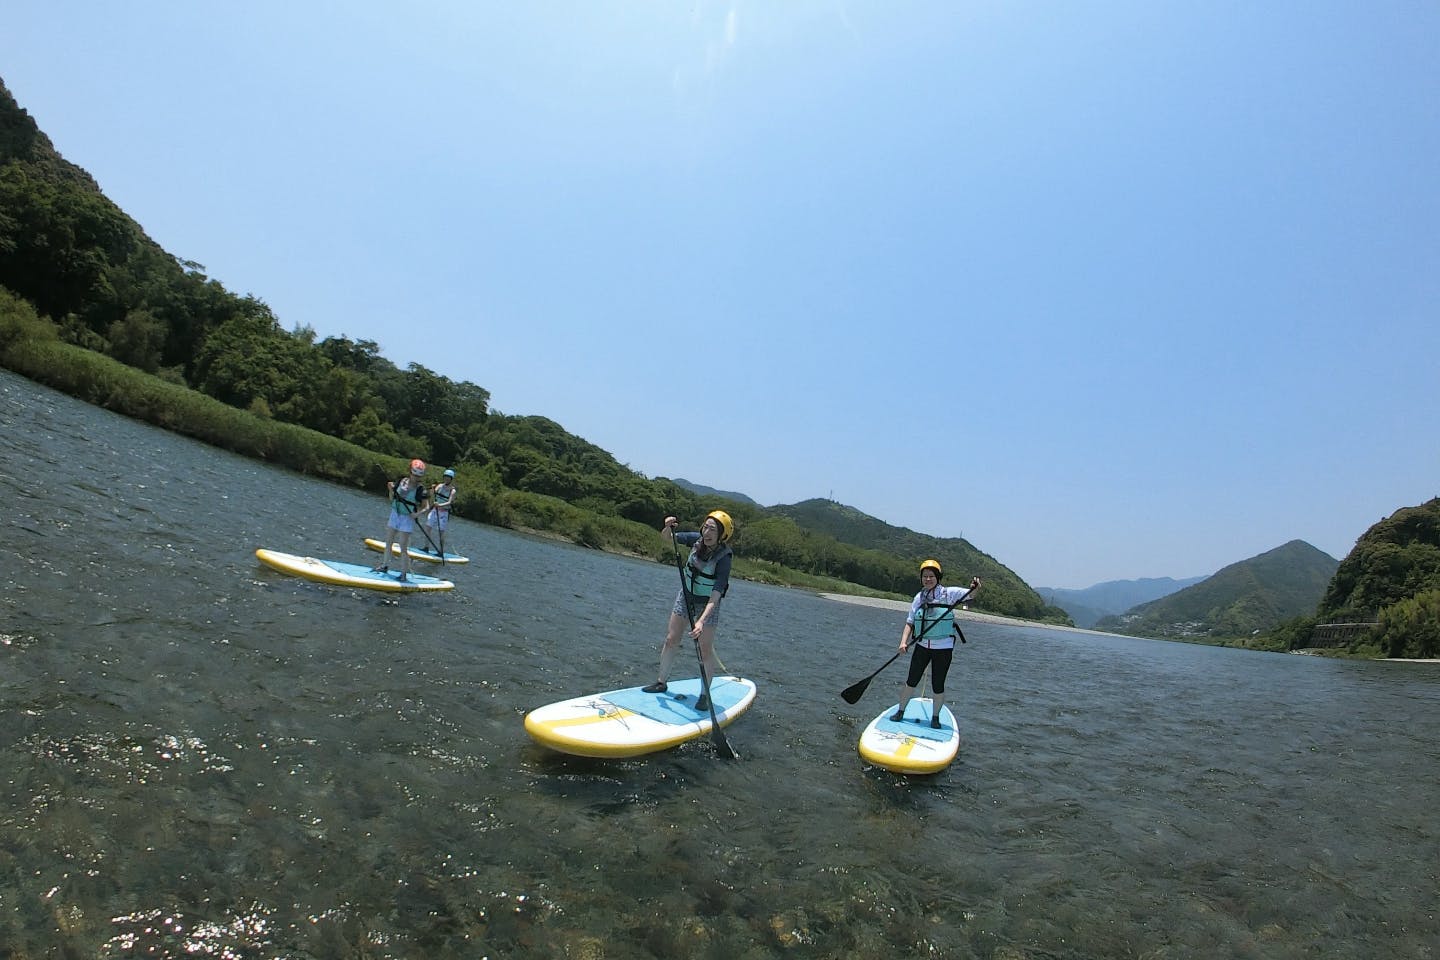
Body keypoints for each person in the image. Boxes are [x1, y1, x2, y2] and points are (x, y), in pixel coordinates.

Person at [642, 509, 735, 712]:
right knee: (671, 639)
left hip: (707, 603)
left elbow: (717, 593)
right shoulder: (696, 539)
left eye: (713, 529)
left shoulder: (724, 558)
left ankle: (704, 694)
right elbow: (668, 538)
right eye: (706, 526)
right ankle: (661, 682)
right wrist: (667, 527)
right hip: (686, 595)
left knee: (704, 649)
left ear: (722, 535)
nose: (707, 532)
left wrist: (701, 620)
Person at [892, 559, 982, 728]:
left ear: (937, 577)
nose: (927, 579)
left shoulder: (949, 593)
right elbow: (910, 622)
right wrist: (903, 642)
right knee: (911, 681)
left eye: (931, 576)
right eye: (924, 576)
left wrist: (976, 586)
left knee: (938, 684)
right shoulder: (919, 597)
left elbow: (971, 594)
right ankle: (901, 711)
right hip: (922, 646)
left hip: (943, 648)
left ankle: (935, 717)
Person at [373, 458, 430, 582]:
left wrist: (417, 514)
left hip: (407, 518)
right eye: (414, 474)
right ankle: (384, 566)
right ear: (410, 472)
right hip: (395, 514)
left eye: (418, 476)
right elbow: (392, 499)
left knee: (403, 548)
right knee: (388, 542)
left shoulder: (421, 490)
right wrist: (390, 490)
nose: (415, 478)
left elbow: (426, 507)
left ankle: (403, 574)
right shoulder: (401, 481)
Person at [424, 468, 458, 556]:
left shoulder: (453, 491)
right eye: (445, 477)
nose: (446, 479)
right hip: (435, 510)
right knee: (428, 527)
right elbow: (432, 495)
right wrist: (432, 489)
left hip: (443, 513)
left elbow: (450, 502)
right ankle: (426, 547)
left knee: (441, 532)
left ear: (451, 479)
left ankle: (441, 551)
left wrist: (440, 505)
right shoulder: (439, 486)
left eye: (448, 478)